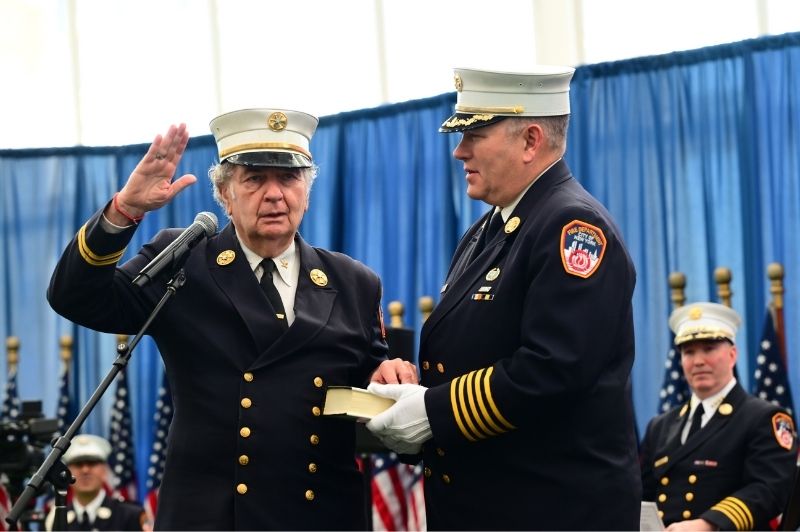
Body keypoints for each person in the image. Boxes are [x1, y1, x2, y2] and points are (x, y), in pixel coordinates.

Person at [47, 109, 418, 530]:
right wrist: (124, 210)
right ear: (225, 193)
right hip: (215, 518)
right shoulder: (184, 260)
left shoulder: (353, 281)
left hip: (322, 514)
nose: (275, 194)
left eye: (289, 178)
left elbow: (368, 379)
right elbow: (74, 297)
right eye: (255, 179)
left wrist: (385, 372)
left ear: (308, 190)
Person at [365, 66, 641, 530]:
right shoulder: (489, 229)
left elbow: (553, 370)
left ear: (531, 140)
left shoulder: (573, 228)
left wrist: (433, 411)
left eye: (475, 133)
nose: (459, 151)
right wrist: (415, 391)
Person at [640, 302, 797, 531]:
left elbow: (769, 489)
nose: (698, 361)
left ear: (732, 355)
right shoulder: (660, 426)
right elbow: (644, 493)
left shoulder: (765, 418)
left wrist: (709, 524)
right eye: (688, 351)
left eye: (709, 348)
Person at [45, 434, 146, 531]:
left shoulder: (131, 515)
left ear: (105, 470)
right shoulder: (54, 518)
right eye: (78, 464)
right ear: (67, 471)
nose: (85, 470)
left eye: (92, 463)